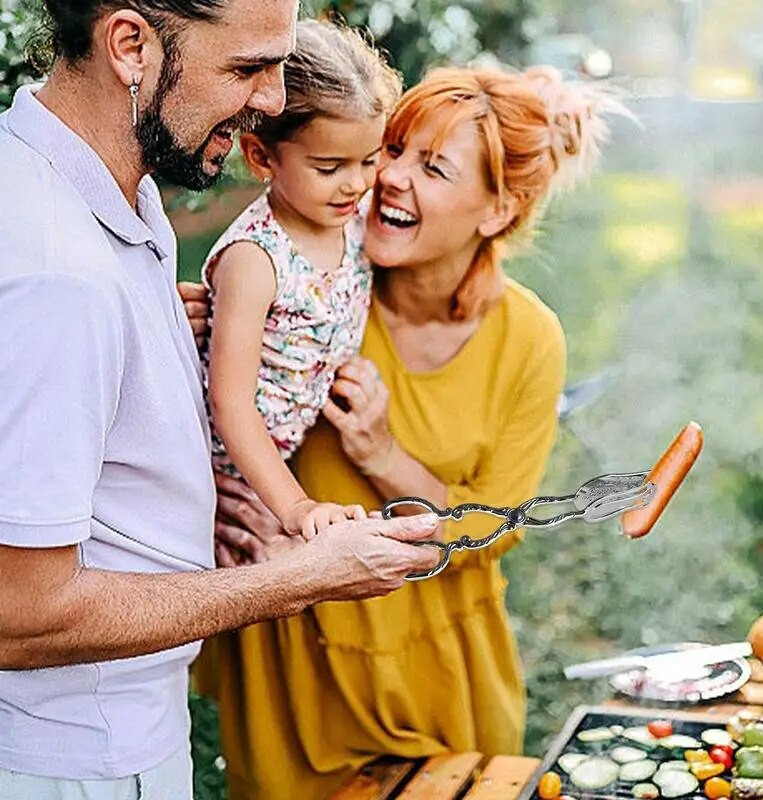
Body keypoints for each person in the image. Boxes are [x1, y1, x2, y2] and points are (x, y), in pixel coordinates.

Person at [0, 2, 439, 797]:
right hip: (78, 759)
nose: (274, 102)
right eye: (247, 69)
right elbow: (18, 614)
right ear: (130, 46)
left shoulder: (97, 194)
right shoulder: (59, 278)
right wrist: (300, 577)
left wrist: (153, 325)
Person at [189, 64, 623, 798]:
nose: (387, 178)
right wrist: (189, 324)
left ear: (495, 211)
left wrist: (380, 454)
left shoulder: (528, 340)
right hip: (294, 666)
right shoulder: (316, 279)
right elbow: (227, 387)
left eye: (433, 168)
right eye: (391, 149)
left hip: (434, 672)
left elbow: (497, 527)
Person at [201, 19, 402, 543]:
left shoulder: (354, 226)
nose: (356, 183)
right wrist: (294, 503)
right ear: (262, 156)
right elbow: (230, 401)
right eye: (329, 166)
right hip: (216, 468)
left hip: (273, 459)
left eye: (369, 160)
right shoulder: (256, 258)